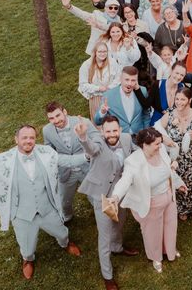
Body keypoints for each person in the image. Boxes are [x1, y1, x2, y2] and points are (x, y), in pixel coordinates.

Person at [0, 125, 85, 280]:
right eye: (24, 137)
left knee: (62, 232)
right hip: (22, 215)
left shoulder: (46, 153)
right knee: (27, 247)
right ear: (16, 139)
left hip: (47, 209)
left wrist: (88, 156)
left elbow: (68, 161)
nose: (28, 141)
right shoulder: (2, 161)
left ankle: (65, 243)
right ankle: (28, 260)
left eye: (32, 138)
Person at [109, 127, 186, 274]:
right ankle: (156, 257)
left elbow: (168, 171)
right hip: (151, 203)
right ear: (145, 145)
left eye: (160, 143)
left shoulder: (161, 150)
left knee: (170, 225)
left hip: (169, 197)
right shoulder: (133, 162)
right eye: (156, 144)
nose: (160, 146)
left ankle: (170, 249)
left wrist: (178, 183)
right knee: (153, 232)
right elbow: (125, 181)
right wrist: (115, 196)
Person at [75, 116, 139, 290]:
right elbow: (90, 149)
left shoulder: (126, 138)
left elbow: (136, 152)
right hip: (102, 195)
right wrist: (83, 137)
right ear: (102, 132)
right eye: (108, 131)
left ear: (120, 129)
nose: (112, 134)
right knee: (104, 237)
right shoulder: (98, 143)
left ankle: (118, 247)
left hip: (121, 193)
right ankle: (107, 275)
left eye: (115, 130)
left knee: (119, 223)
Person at [155, 87, 192, 220]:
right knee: (177, 182)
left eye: (182, 99)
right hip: (175, 158)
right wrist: (165, 138)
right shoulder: (169, 114)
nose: (179, 102)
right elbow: (157, 128)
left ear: (189, 100)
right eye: (177, 99)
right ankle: (182, 209)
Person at [42, 101, 98, 222]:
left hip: (87, 167)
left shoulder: (83, 122)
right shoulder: (47, 131)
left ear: (65, 112)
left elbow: (97, 140)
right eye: (51, 118)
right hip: (65, 171)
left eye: (58, 115)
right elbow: (49, 150)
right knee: (63, 201)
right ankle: (67, 217)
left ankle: (100, 214)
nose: (56, 120)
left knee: (95, 196)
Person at [95, 66, 149, 134]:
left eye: (133, 80)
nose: (129, 83)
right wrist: (102, 112)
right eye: (127, 79)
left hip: (140, 136)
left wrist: (146, 132)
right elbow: (97, 122)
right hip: (120, 137)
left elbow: (146, 114)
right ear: (120, 79)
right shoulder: (108, 95)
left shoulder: (143, 91)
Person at [79, 42, 122, 118]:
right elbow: (83, 85)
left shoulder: (112, 62)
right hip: (96, 98)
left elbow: (119, 78)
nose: (102, 54)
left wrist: (109, 87)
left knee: (113, 120)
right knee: (98, 120)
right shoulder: (86, 65)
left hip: (111, 96)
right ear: (95, 52)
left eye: (104, 51)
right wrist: (98, 88)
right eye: (100, 51)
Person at [148, 61, 187, 125]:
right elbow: (147, 104)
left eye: (182, 75)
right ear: (171, 71)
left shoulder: (182, 87)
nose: (178, 77)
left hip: (173, 127)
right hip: (156, 125)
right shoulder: (158, 84)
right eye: (177, 73)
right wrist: (137, 88)